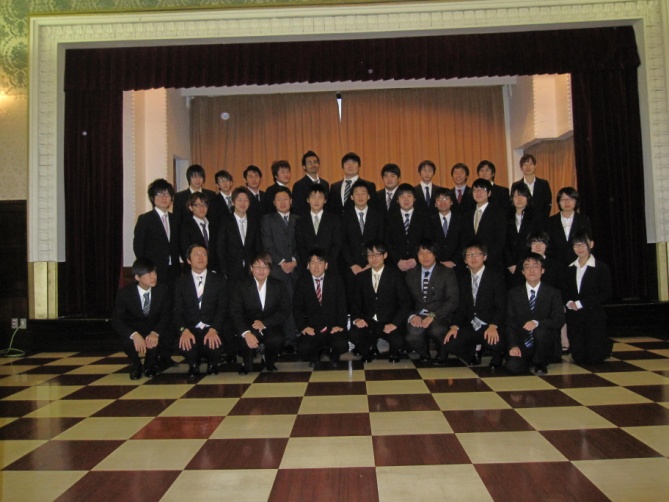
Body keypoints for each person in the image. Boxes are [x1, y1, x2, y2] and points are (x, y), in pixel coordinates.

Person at [443, 242, 506, 368]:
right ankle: (475, 351)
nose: (473, 257)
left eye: (477, 254)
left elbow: (502, 305)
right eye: (469, 255)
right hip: (472, 324)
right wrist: (454, 326)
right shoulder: (464, 278)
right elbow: (462, 306)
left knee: (497, 343)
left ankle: (498, 354)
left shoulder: (496, 276)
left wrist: (494, 325)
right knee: (449, 344)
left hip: (490, 324)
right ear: (465, 260)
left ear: (485, 257)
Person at [350, 241, 411, 363]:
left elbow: (406, 303)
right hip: (369, 321)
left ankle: (394, 351)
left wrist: (394, 324)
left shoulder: (396, 275)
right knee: (353, 334)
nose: (374, 258)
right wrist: (357, 319)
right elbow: (355, 302)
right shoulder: (361, 276)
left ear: (385, 255)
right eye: (370, 255)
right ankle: (366, 351)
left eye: (377, 254)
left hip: (389, 321)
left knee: (398, 340)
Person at [231, 252, 291, 375]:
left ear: (270, 269)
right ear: (251, 268)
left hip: (270, 324)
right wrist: (245, 332)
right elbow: (235, 311)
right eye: (257, 267)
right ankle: (246, 363)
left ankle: (268, 360)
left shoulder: (278, 285)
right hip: (249, 325)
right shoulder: (241, 285)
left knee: (278, 338)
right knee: (248, 337)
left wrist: (264, 323)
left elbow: (285, 310)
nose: (261, 270)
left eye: (265, 267)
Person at [505, 253, 565, 375]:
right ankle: (528, 359)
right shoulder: (513, 294)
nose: (531, 270)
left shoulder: (553, 293)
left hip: (545, 344)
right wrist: (513, 345)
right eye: (527, 267)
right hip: (523, 343)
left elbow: (559, 320)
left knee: (540, 330)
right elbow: (509, 322)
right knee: (513, 367)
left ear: (542, 270)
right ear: (522, 272)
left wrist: (538, 323)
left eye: (535, 266)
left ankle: (540, 362)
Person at [173, 245, 228, 377]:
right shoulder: (180, 282)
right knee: (185, 343)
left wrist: (214, 329)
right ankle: (193, 364)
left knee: (215, 343)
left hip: (212, 327)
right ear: (188, 260)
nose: (201, 257)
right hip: (190, 328)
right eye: (196, 254)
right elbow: (177, 310)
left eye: (204, 254)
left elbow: (223, 308)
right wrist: (184, 330)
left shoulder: (219, 280)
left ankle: (213, 362)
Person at [111, 259, 171, 379]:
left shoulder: (162, 290)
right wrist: (134, 334)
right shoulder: (125, 293)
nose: (153, 277)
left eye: (154, 273)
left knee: (164, 336)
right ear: (137, 277)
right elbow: (117, 319)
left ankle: (149, 365)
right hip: (134, 330)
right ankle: (136, 365)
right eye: (149, 274)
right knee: (127, 340)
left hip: (153, 329)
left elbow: (166, 315)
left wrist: (155, 332)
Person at [292, 249, 349, 368]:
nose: (316, 267)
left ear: (326, 265)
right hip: (313, 329)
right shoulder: (302, 282)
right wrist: (303, 327)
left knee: (342, 344)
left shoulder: (336, 280)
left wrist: (340, 325)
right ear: (308, 265)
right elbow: (297, 308)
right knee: (303, 349)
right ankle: (319, 352)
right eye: (313, 263)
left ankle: (331, 352)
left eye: (320, 263)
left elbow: (342, 306)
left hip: (332, 327)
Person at [563, 231, 613, 364]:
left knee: (594, 358)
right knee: (578, 357)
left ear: (591, 244)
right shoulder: (569, 268)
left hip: (594, 316)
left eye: (582, 244)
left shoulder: (601, 268)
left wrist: (581, 303)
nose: (579, 248)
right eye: (576, 245)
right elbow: (564, 291)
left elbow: (606, 293)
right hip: (574, 317)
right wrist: (568, 302)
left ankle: (605, 347)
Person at [405, 239, 459, 362]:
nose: (425, 256)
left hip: (440, 314)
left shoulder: (447, 272)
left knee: (437, 330)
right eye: (421, 253)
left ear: (435, 254)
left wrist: (433, 316)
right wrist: (412, 315)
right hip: (418, 313)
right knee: (412, 334)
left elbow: (453, 300)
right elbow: (406, 300)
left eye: (429, 252)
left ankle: (442, 352)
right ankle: (424, 354)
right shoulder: (411, 273)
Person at [261, 186, 300, 351]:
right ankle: (278, 340)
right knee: (278, 306)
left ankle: (292, 340)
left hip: (296, 270)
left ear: (291, 201)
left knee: (294, 304)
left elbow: (302, 244)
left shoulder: (299, 219)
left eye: (286, 199)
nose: (283, 202)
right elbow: (267, 244)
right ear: (274, 202)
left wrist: (295, 261)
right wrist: (282, 262)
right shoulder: (267, 219)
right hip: (277, 270)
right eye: (279, 199)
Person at [340, 180, 385, 303]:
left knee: (371, 300)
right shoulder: (344, 217)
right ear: (351, 197)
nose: (360, 196)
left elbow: (380, 240)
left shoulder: (378, 216)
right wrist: (352, 264)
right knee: (352, 300)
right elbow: (342, 242)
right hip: (351, 267)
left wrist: (371, 262)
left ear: (369, 196)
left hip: (373, 265)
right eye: (357, 193)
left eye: (363, 193)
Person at [133, 178, 181, 288]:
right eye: (159, 194)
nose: (164, 197)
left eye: (167, 194)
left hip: (174, 271)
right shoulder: (145, 219)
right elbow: (138, 247)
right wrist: (146, 270)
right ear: (152, 197)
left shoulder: (175, 219)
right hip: (153, 271)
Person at [217, 186, 262, 283]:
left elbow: (258, 246)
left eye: (246, 200)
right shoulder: (225, 222)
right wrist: (224, 271)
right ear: (233, 202)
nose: (243, 203)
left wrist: (256, 266)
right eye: (239, 200)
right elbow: (220, 248)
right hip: (231, 271)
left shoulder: (254, 221)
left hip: (250, 270)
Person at [461, 178, 506, 272]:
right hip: (471, 265)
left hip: (492, 264)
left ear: (489, 193)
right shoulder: (467, 215)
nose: (478, 192)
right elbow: (464, 239)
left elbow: (500, 240)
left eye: (482, 189)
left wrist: (486, 259)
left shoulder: (498, 213)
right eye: (475, 190)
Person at [295, 183, 342, 273]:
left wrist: (326, 262)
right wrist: (309, 263)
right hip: (307, 267)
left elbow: (337, 244)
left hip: (329, 267)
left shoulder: (334, 219)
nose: (316, 201)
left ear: (325, 200)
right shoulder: (300, 221)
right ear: (308, 200)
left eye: (320, 197)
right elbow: (300, 245)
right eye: (313, 197)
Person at [386, 183, 429, 273]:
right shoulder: (389, 219)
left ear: (414, 198)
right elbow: (387, 242)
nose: (406, 199)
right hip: (395, 266)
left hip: (419, 265)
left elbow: (427, 241)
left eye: (409, 196)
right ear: (397, 200)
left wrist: (416, 259)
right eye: (402, 196)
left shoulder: (424, 218)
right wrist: (398, 260)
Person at [544, 187, 592, 268]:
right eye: (563, 199)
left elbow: (588, 242)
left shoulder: (583, 220)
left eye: (570, 199)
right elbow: (547, 245)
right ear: (559, 202)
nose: (566, 202)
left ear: (576, 201)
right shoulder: (550, 221)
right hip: (556, 265)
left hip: (578, 263)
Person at [505, 184, 538, 282]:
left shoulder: (536, 218)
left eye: (522, 195)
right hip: (509, 266)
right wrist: (510, 263)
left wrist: (529, 263)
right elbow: (503, 241)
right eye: (515, 196)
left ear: (528, 198)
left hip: (530, 264)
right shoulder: (505, 217)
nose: (519, 199)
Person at [180, 192, 217, 272]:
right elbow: (185, 250)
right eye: (198, 205)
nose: (202, 208)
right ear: (191, 207)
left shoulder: (214, 225)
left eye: (204, 205)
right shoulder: (185, 226)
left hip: (213, 270)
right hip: (193, 270)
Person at [428, 188, 464, 271]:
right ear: (435, 204)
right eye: (439, 199)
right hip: (435, 266)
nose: (442, 202)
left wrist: (454, 261)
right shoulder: (429, 221)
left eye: (446, 198)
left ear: (451, 202)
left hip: (457, 266)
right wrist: (437, 262)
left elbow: (464, 243)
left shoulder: (461, 221)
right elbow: (428, 244)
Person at [510, 154, 552, 220]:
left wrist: (543, 219)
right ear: (521, 167)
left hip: (541, 221)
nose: (528, 167)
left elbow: (548, 203)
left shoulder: (544, 184)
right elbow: (513, 204)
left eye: (531, 164)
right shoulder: (516, 185)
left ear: (535, 166)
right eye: (525, 164)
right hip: (523, 220)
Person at [292, 151, 329, 217]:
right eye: (309, 163)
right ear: (304, 166)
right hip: (306, 220)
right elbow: (297, 209)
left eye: (315, 162)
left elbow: (327, 206)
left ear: (319, 164)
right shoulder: (299, 185)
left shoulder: (325, 184)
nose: (313, 165)